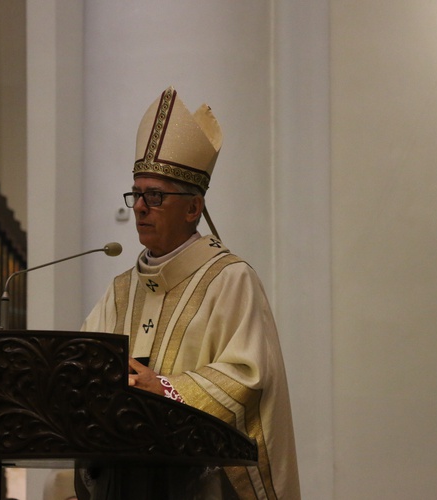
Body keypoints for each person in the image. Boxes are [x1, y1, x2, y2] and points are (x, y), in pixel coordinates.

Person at [79, 86, 300, 499]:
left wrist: (165, 389)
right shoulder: (121, 290)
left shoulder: (229, 278)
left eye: (155, 196)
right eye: (137, 193)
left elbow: (248, 375)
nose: (140, 207)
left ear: (193, 208)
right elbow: (83, 363)